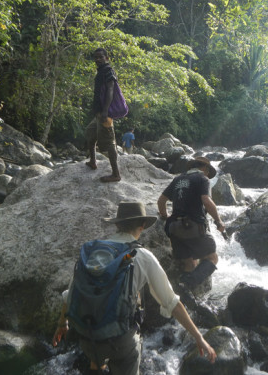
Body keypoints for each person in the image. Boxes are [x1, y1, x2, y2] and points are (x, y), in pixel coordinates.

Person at [52, 202, 216, 374]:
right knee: (128, 352)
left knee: (96, 357)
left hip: (87, 335)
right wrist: (199, 337)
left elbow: (70, 293)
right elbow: (172, 302)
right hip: (121, 342)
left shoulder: (94, 251)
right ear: (143, 226)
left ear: (116, 224)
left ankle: (97, 366)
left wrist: (62, 324)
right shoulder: (142, 256)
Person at [157, 157, 225, 289]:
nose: (207, 175)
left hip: (173, 229)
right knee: (212, 258)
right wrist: (219, 221)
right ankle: (186, 285)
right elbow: (206, 200)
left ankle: (184, 292)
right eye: (207, 172)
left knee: (189, 264)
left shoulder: (177, 179)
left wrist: (165, 216)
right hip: (193, 227)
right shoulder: (202, 179)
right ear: (204, 168)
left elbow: (161, 201)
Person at [84, 47, 123, 182]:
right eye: (96, 57)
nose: (98, 59)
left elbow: (111, 90)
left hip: (105, 113)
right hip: (99, 113)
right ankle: (93, 161)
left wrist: (106, 111)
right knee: (90, 133)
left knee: (109, 143)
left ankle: (116, 174)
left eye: (101, 57)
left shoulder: (108, 70)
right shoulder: (101, 71)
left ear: (106, 58)